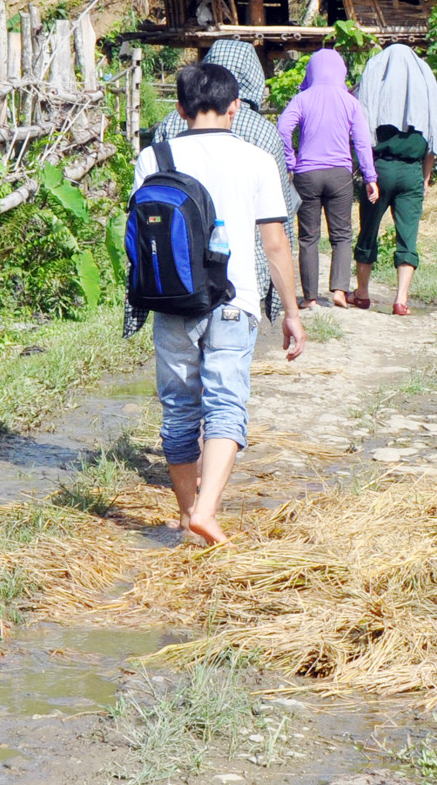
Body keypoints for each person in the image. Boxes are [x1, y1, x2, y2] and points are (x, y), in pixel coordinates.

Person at [129, 62, 305, 546]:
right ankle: (208, 511)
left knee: (179, 411)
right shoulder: (255, 159)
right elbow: (274, 244)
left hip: (171, 303)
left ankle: (187, 517)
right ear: (236, 107)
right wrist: (291, 312)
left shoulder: (155, 156)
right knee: (225, 405)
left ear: (181, 109)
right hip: (234, 302)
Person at [129, 39, 298, 336]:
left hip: (175, 285)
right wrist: (290, 310)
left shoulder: (164, 135)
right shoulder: (262, 141)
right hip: (238, 287)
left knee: (175, 385)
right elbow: (276, 237)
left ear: (181, 107)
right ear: (235, 101)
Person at [351, 43, 437, 316]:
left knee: (368, 230)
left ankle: (362, 293)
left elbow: (362, 133)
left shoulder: (377, 90)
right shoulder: (424, 90)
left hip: (380, 170)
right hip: (411, 173)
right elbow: (432, 138)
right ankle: (401, 300)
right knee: (408, 237)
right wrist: (425, 177)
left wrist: (366, 171)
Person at [276, 49, 378, 309]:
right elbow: (362, 143)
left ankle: (309, 297)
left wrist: (291, 159)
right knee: (342, 235)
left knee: (308, 236)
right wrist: (370, 177)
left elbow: (282, 128)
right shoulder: (350, 102)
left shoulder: (302, 99)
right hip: (339, 175)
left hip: (307, 174)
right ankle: (340, 292)